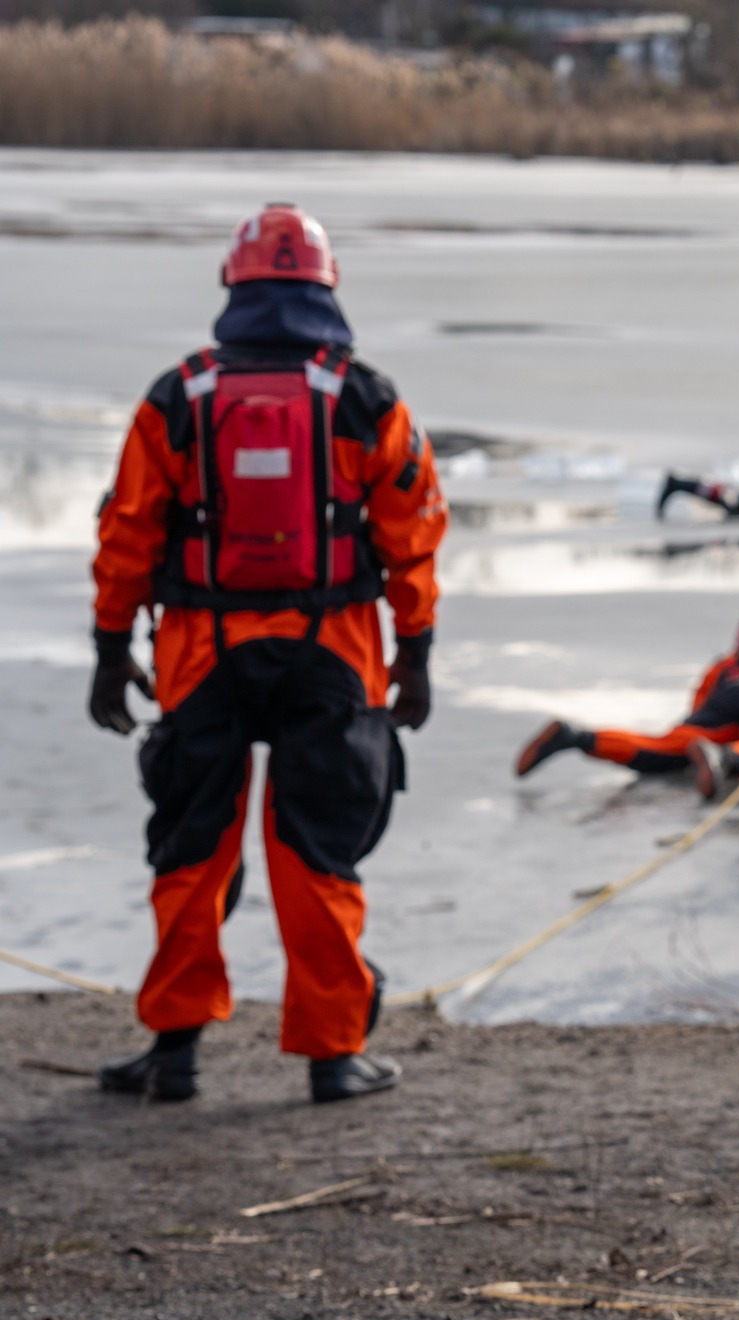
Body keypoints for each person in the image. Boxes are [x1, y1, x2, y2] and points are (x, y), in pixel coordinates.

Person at [89, 203, 446, 1105]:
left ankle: (173, 1054)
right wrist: (415, 653)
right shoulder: (365, 397)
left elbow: (127, 532)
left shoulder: (178, 397)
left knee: (191, 852)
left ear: (232, 284)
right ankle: (333, 1055)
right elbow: (413, 536)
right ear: (328, 286)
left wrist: (109, 648)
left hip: (199, 652)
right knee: (317, 854)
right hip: (333, 650)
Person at [514, 614, 739, 797]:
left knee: (664, 748)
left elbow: (699, 707)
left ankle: (576, 736)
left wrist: (696, 738)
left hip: (730, 697)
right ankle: (726, 759)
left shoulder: (726, 666)